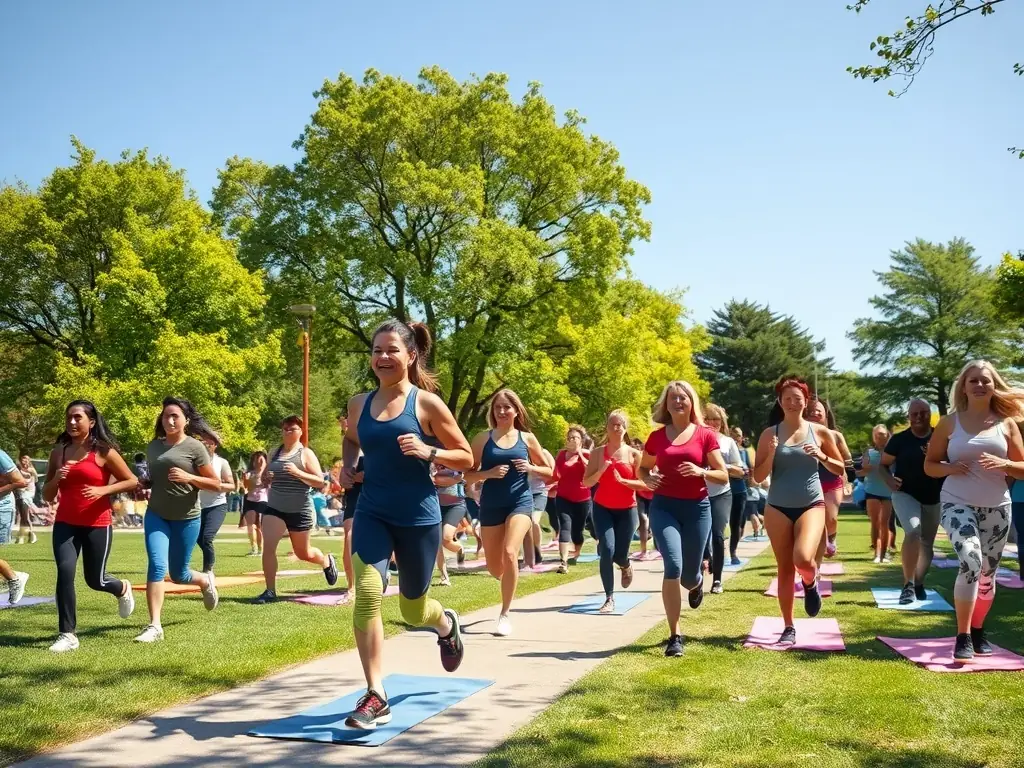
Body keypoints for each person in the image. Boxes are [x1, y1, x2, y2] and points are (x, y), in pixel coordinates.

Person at [341, 319, 472, 729]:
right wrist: (348, 468)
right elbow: (351, 439)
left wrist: (428, 451)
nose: (382, 357)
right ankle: (375, 694)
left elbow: (466, 457)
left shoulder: (427, 405)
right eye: (377, 350)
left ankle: (446, 626)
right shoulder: (358, 404)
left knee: (414, 610)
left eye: (391, 350)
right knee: (366, 592)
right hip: (372, 511)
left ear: (410, 356)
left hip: (418, 516)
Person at [924, 360, 1024, 661]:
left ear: (994, 385)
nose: (980, 385)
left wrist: (1006, 465)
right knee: (971, 559)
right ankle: (963, 635)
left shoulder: (1006, 424)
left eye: (986, 380)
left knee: (987, 576)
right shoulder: (948, 423)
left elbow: (1022, 468)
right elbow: (929, 466)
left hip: (997, 508)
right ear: (964, 387)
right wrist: (950, 468)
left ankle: (979, 630)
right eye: (974, 381)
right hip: (957, 502)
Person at [753, 377, 846, 647]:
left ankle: (810, 582)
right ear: (780, 402)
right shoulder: (770, 434)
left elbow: (840, 469)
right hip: (777, 506)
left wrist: (821, 455)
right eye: (787, 398)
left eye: (798, 398)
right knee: (784, 568)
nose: (793, 403)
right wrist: (770, 455)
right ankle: (788, 625)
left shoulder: (819, 432)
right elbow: (758, 477)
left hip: (811, 503)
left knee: (804, 559)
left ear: (806, 402)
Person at [41, 401, 139, 652]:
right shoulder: (58, 452)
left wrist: (102, 490)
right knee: (64, 573)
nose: (72, 423)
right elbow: (47, 496)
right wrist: (55, 478)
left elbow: (131, 480)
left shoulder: (104, 452)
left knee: (95, 580)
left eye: (78, 418)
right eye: (69, 418)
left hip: (97, 523)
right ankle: (67, 634)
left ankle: (122, 588)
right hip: (65, 523)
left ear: (91, 422)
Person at [640, 381, 729, 658]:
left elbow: (723, 474)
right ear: (666, 404)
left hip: (697, 509)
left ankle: (698, 581)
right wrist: (648, 478)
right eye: (673, 398)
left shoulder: (705, 435)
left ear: (692, 403)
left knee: (688, 577)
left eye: (683, 398)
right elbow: (643, 468)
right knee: (673, 566)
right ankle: (675, 635)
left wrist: (701, 471)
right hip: (664, 507)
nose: (678, 402)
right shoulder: (656, 437)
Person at [135, 397, 224, 644]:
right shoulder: (154, 447)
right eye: (166, 416)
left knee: (179, 574)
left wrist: (189, 477)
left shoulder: (196, 448)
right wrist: (145, 483)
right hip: (157, 515)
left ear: (185, 420)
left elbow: (216, 484)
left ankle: (205, 580)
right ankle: (154, 625)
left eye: (175, 416)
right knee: (156, 566)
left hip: (187, 518)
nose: (170, 420)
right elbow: (154, 477)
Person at [465, 389, 553, 636]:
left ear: (516, 410)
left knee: (510, 552)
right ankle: (506, 581)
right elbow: (467, 475)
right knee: (495, 568)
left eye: (507, 407)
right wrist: (487, 475)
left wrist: (531, 467)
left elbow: (549, 471)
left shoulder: (527, 439)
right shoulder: (482, 439)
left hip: (521, 503)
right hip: (491, 504)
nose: (502, 411)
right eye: (497, 408)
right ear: (493, 412)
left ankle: (505, 614)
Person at [254, 416, 339, 603]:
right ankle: (270, 591)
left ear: (300, 432)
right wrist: (267, 477)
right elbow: (265, 478)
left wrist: (298, 472)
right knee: (268, 547)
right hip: (275, 507)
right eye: (284, 429)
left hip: (300, 509)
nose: (287, 432)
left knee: (303, 553)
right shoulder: (274, 452)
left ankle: (326, 561)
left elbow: (320, 482)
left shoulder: (305, 454)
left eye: (291, 429)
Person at [882, 399, 944, 604]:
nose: (919, 417)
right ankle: (907, 585)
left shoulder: (941, 438)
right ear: (908, 416)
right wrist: (889, 480)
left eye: (923, 413)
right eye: (914, 413)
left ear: (930, 414)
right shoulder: (899, 440)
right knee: (913, 530)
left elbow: (952, 464)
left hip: (934, 497)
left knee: (927, 543)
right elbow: (883, 465)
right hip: (905, 493)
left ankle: (918, 582)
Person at [583, 410, 643, 613]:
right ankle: (609, 597)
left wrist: (625, 481)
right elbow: (586, 482)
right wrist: (601, 470)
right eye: (612, 424)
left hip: (627, 510)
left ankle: (626, 565)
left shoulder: (634, 454)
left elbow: (644, 484)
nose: (616, 427)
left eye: (620, 424)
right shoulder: (598, 453)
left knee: (619, 555)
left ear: (625, 428)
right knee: (606, 550)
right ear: (607, 428)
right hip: (602, 508)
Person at [702, 404, 745, 593]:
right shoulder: (696, 439)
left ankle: (717, 580)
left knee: (718, 535)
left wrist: (720, 467)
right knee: (700, 537)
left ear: (722, 422)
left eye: (716, 419)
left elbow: (740, 470)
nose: (712, 423)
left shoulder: (728, 442)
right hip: (698, 494)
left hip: (721, 493)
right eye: (708, 419)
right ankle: (707, 559)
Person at [805, 398, 853, 560]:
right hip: (808, 483)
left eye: (818, 410)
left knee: (830, 518)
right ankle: (815, 551)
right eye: (811, 410)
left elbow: (846, 460)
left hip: (832, 481)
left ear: (826, 414)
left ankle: (831, 538)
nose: (815, 413)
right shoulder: (800, 433)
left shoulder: (835, 435)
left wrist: (847, 481)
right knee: (814, 521)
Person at [552, 426, 592, 572]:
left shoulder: (587, 454)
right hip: (563, 497)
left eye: (575, 437)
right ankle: (563, 562)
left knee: (577, 531)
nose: (572, 440)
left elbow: (590, 472)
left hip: (582, 499)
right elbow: (557, 472)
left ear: (581, 441)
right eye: (569, 438)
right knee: (565, 526)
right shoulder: (561, 454)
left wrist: (580, 454)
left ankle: (576, 553)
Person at [195, 434, 236, 574]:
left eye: (209, 444)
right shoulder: (193, 463)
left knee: (207, 537)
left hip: (217, 505)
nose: (205, 446)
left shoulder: (221, 462)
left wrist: (216, 486)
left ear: (215, 445)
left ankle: (208, 569)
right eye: (202, 443)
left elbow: (232, 486)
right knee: (197, 538)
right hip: (198, 506)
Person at [860, 425, 894, 564]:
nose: (880, 437)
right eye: (877, 434)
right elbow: (864, 467)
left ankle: (884, 554)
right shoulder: (869, 452)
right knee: (875, 523)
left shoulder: (892, 452)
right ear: (874, 436)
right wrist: (869, 467)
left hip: (888, 491)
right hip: (872, 489)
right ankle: (877, 553)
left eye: (883, 434)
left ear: (888, 435)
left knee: (884, 523)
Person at [433, 463, 468, 586]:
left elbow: (458, 479)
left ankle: (459, 548)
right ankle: (444, 576)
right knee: (437, 543)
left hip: (455, 506)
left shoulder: (455, 462)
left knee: (446, 538)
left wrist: (438, 479)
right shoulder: (432, 463)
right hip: (435, 505)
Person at [0, 449, 29, 593]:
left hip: (2, 507)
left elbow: (20, 482)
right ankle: (11, 578)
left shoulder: (0, 456)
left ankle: (14, 579)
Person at [524, 447, 555, 568]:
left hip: (539, 492)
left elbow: (552, 473)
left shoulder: (543, 453)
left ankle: (537, 551)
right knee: (524, 524)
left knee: (534, 521)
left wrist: (533, 469)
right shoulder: (517, 453)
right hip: (523, 494)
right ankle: (528, 553)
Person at [631, 437, 656, 560]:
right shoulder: (632, 462)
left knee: (655, 523)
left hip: (654, 495)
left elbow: (656, 474)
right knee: (643, 521)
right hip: (640, 496)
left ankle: (658, 548)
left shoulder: (650, 460)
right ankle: (644, 550)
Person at [242, 451, 269, 556]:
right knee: (250, 526)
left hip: (262, 501)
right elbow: (246, 487)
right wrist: (246, 479)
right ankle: (253, 548)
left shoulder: (268, 474)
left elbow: (270, 486)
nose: (259, 462)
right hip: (250, 500)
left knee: (259, 527)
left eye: (261, 460)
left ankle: (261, 549)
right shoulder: (249, 474)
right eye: (257, 460)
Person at [14, 455, 39, 544]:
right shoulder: (18, 470)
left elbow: (34, 480)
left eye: (26, 460)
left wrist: (30, 475)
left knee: (24, 516)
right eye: (23, 460)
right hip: (20, 493)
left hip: (27, 494)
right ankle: (22, 536)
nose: (25, 461)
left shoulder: (31, 470)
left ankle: (29, 535)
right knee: (24, 516)